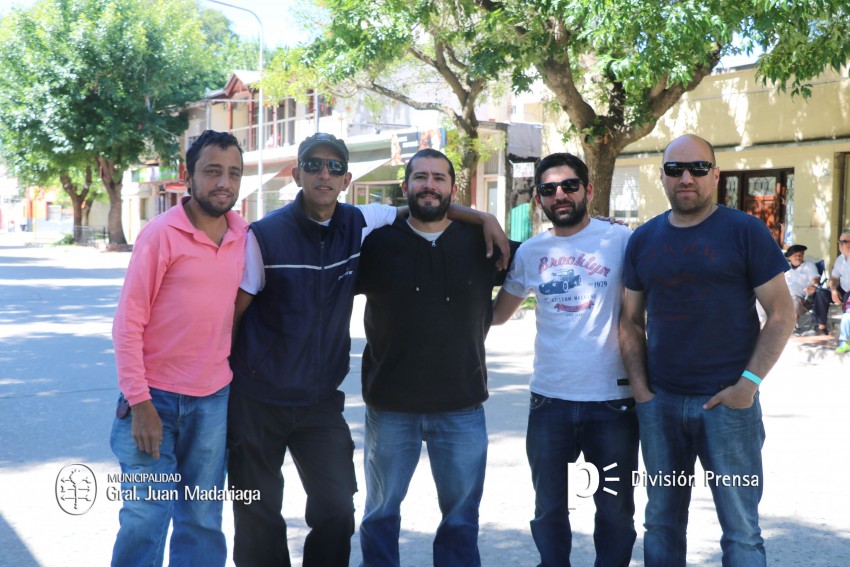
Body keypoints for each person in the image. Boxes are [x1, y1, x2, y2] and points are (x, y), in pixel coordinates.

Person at [227, 134, 509, 566]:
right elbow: (233, 311)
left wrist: (484, 216)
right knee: (275, 512)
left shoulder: (378, 227)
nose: (325, 174)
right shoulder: (291, 235)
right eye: (315, 165)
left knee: (361, 511)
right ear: (297, 172)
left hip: (371, 404)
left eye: (334, 167)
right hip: (295, 401)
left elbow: (427, 209)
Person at [619, 134, 796, 567]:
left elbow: (781, 313)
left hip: (728, 408)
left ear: (715, 176)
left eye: (698, 168)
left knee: (740, 532)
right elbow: (629, 320)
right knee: (661, 523)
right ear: (661, 176)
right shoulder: (644, 239)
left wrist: (747, 387)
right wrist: (641, 391)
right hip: (660, 406)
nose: (686, 177)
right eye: (675, 169)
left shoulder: (745, 231)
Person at [355, 148, 515, 567]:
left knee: (461, 518)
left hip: (462, 407)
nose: (430, 185)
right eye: (420, 177)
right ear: (405, 185)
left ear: (453, 187)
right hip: (390, 406)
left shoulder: (482, 242)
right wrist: (480, 214)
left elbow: (547, 256)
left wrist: (484, 220)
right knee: (380, 514)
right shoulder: (375, 242)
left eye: (439, 178)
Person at [491, 152, 639, 566]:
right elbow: (498, 316)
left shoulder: (621, 240)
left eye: (570, 185)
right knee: (549, 510)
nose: (560, 194)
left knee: (614, 510)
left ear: (588, 190)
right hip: (549, 400)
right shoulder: (531, 252)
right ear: (538, 198)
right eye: (549, 189)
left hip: (612, 401)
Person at [110, 130, 248, 566]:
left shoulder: (245, 235)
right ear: (188, 176)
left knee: (203, 515)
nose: (223, 182)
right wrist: (141, 402)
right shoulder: (161, 234)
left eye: (233, 173)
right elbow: (127, 323)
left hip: (213, 400)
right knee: (146, 515)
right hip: (155, 400)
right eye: (212, 172)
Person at [812, 230, 850, 335]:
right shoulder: (840, 259)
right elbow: (834, 278)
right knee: (821, 293)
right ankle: (821, 328)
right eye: (839, 242)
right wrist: (833, 290)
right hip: (842, 289)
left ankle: (846, 333)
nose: (840, 244)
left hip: (849, 292)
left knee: (848, 297)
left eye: (844, 242)